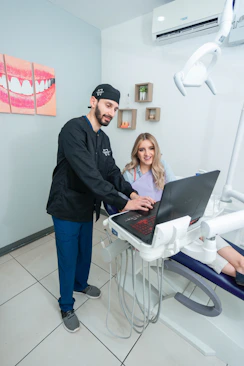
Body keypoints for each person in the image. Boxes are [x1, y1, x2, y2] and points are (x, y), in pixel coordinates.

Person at [46, 85, 154, 333]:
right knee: (68, 257)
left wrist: (132, 192)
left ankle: (80, 284)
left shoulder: (103, 138)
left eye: (115, 108)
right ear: (93, 101)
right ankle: (66, 304)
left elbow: (111, 172)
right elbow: (89, 175)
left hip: (86, 206)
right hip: (66, 206)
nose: (111, 112)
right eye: (108, 105)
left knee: (85, 252)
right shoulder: (72, 130)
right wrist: (124, 203)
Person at [122, 132, 244, 286]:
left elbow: (176, 190)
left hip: (172, 213)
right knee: (189, 243)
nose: (147, 154)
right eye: (142, 150)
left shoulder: (162, 165)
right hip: (152, 221)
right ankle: (236, 271)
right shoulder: (128, 174)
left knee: (204, 230)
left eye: (151, 148)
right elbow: (125, 206)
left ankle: (241, 263)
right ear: (136, 152)